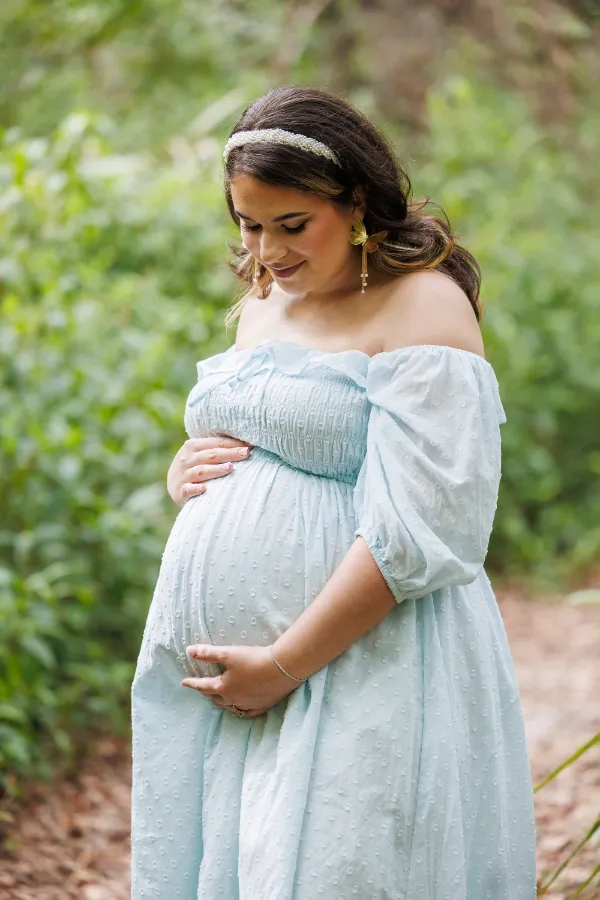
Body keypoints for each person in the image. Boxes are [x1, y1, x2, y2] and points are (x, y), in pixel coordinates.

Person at [130, 85, 536, 899]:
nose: (266, 252)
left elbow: (427, 528)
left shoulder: (424, 303)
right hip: (241, 688)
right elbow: (274, 431)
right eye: (248, 223)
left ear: (355, 203)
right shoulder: (264, 300)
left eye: (291, 226)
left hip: (360, 663)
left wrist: (284, 663)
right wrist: (189, 468)